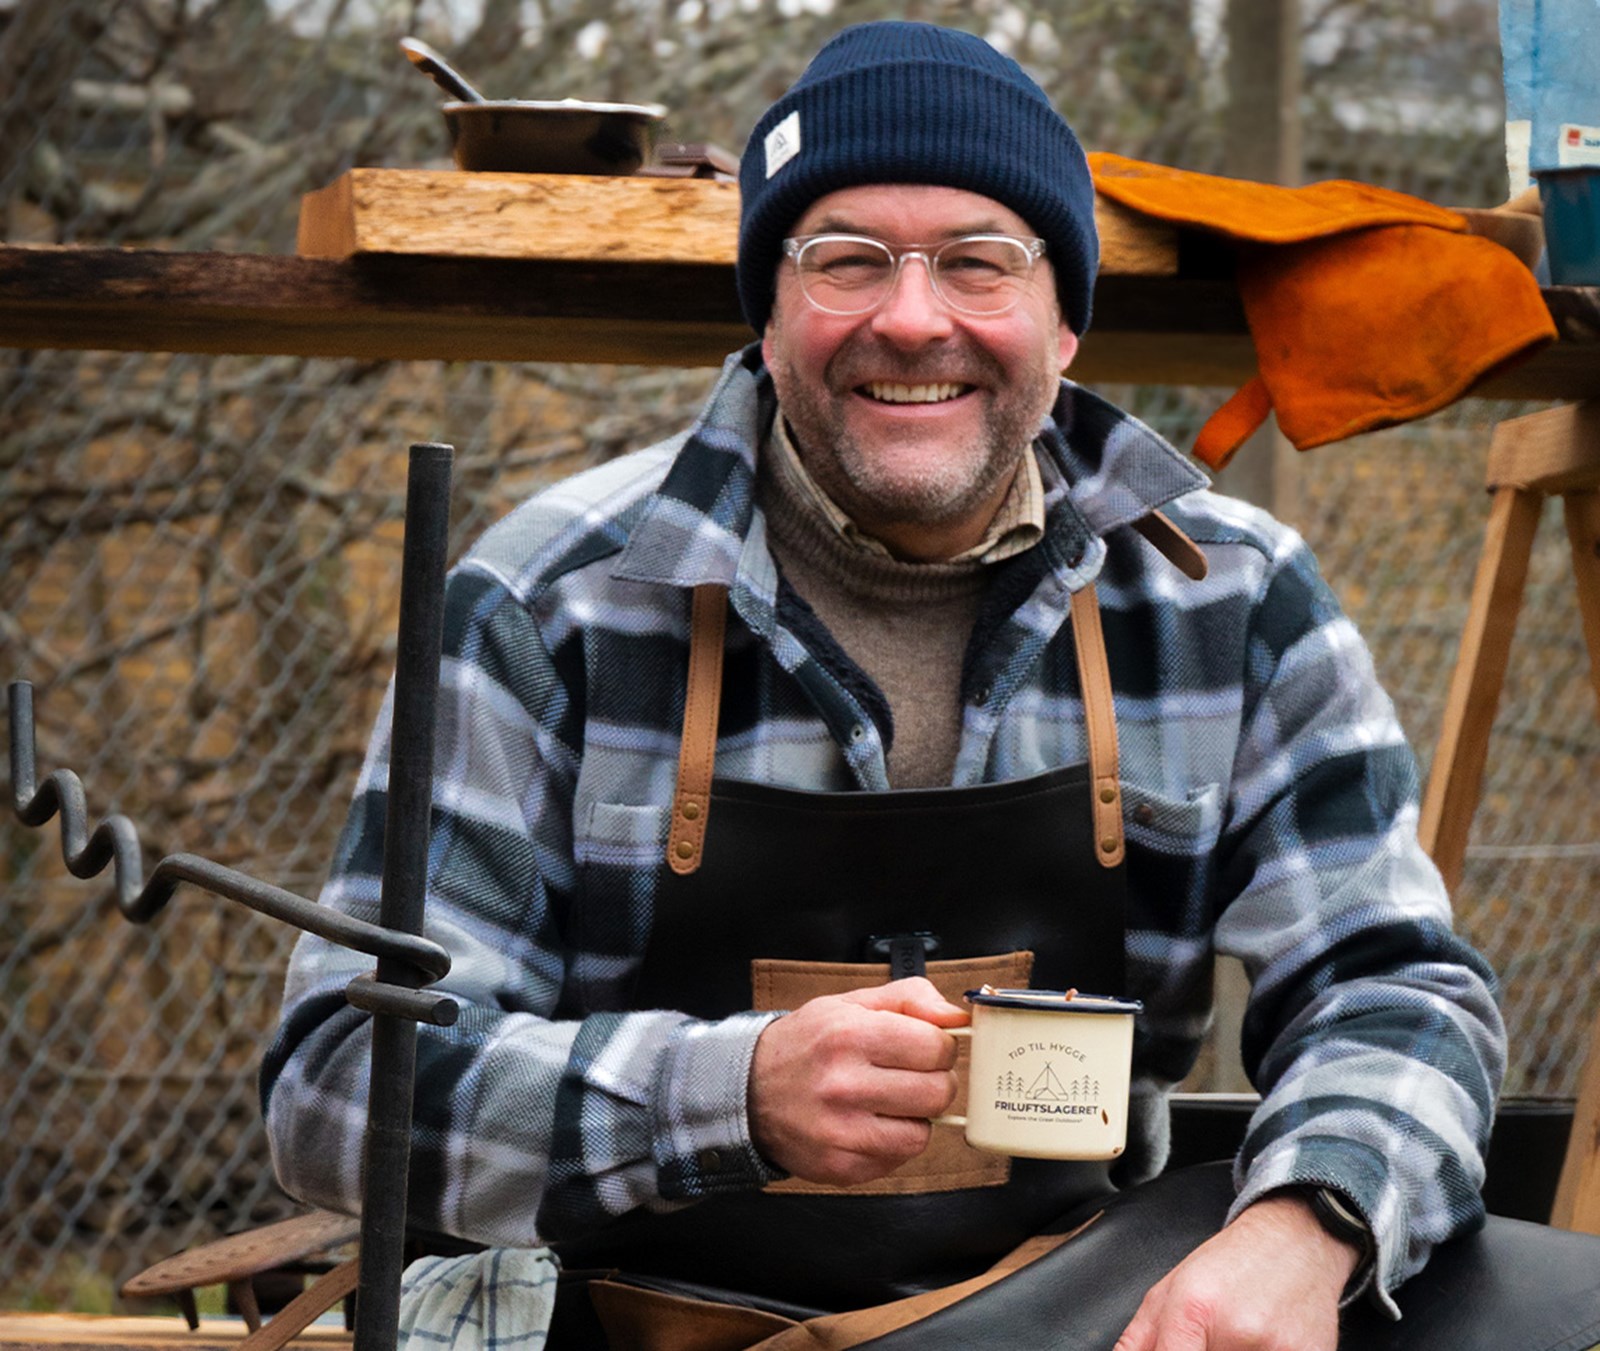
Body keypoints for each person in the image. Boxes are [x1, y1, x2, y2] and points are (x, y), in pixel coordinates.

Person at [261, 21, 1525, 1349]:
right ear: (768, 309)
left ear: (1066, 320)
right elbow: (341, 1090)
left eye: (980, 263)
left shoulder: (1229, 598)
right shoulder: (547, 600)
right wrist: (722, 1092)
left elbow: (1397, 994)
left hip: (1075, 1324)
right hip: (628, 1327)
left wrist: (1306, 1228)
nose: (912, 318)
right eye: (847, 260)